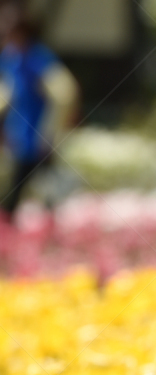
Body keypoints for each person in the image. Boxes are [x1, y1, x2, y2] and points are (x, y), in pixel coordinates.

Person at [0, 11, 78, 220]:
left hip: (38, 138)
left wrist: (51, 130)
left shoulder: (38, 58)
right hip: (19, 136)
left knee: (40, 188)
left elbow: (64, 93)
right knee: (23, 187)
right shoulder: (11, 57)